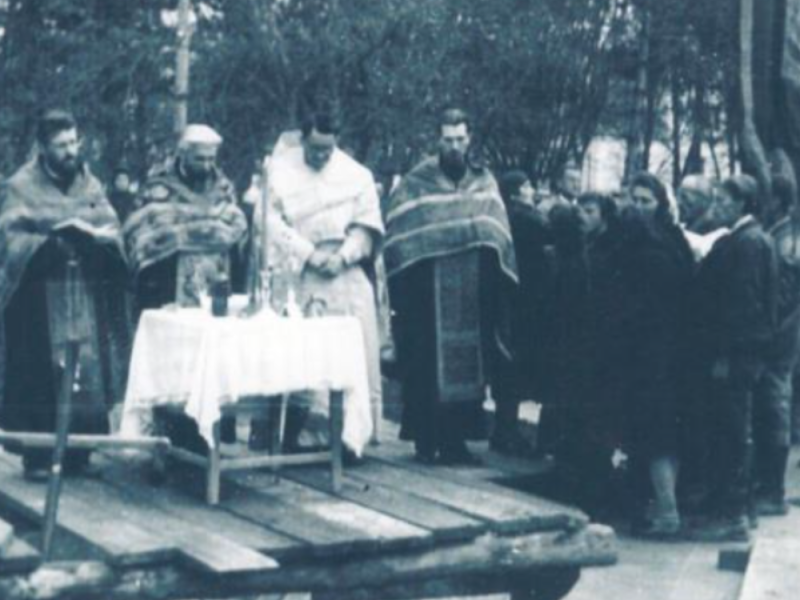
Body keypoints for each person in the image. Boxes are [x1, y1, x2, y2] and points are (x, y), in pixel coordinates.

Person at [0, 110, 132, 480]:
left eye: (74, 142)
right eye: (61, 145)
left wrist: (100, 241)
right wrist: (47, 247)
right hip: (38, 297)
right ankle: (38, 457)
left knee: (84, 371)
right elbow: (9, 237)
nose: (70, 151)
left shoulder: (90, 184)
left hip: (83, 293)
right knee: (41, 373)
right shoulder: (20, 185)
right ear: (43, 147)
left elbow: (111, 226)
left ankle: (80, 453)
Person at [384, 108, 518, 465]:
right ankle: (426, 439)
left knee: (468, 364)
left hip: (473, 289)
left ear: (469, 138)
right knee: (427, 364)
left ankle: (457, 441)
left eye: (460, 139)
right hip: (427, 291)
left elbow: (496, 229)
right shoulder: (417, 181)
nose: (455, 146)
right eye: (448, 139)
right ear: (438, 139)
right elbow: (400, 232)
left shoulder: (483, 180)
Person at [261, 111, 384, 457]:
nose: (321, 157)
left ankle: (349, 439)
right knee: (302, 355)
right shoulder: (280, 172)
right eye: (315, 149)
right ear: (302, 139)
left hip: (344, 273)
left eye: (328, 150)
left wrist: (344, 256)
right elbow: (268, 222)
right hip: (301, 272)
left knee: (354, 351)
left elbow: (367, 226)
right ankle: (296, 435)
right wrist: (308, 254)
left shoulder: (356, 174)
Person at [124, 124, 247, 453]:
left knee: (210, 360)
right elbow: (142, 231)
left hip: (215, 285)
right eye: (199, 159)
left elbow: (235, 225)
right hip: (167, 287)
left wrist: (190, 230)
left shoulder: (223, 187)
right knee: (174, 363)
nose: (206, 166)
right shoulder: (157, 188)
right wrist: (203, 229)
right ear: (182, 155)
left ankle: (205, 436)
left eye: (211, 158)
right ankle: (165, 440)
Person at [691, 174, 778, 541]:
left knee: (733, 431)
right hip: (748, 352)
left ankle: (735, 514)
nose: (718, 207)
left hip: (735, 353)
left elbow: (740, 307)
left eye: (725, 202)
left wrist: (725, 355)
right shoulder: (756, 239)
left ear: (742, 204)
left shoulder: (745, 243)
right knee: (736, 428)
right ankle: (740, 508)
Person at [626, 173, 696, 538]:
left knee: (656, 433)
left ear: (660, 204)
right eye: (634, 200)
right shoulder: (673, 239)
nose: (638, 208)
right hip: (666, 352)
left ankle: (667, 513)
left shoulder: (651, 247)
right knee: (662, 433)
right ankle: (662, 508)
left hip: (655, 354)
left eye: (645, 201)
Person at [753, 169, 800, 516]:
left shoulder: (787, 239)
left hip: (781, 333)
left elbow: (787, 294)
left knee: (774, 402)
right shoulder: (778, 233)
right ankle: (766, 483)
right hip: (779, 330)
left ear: (778, 201)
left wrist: (773, 329)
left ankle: (772, 489)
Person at [493, 170, 550, 456]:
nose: (532, 190)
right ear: (515, 192)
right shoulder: (529, 219)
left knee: (507, 370)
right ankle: (508, 433)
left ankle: (504, 429)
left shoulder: (502, 217)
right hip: (529, 301)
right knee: (516, 370)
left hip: (509, 297)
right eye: (527, 186)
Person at [677, 175, 729, 261]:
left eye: (684, 197)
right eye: (678, 196)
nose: (679, 202)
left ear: (704, 200)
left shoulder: (718, 232)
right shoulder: (687, 225)